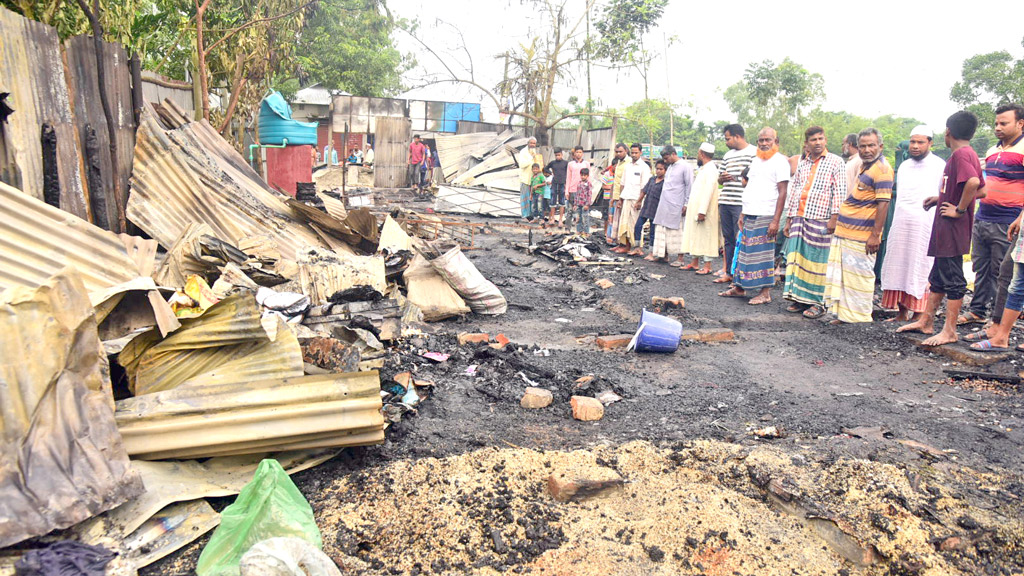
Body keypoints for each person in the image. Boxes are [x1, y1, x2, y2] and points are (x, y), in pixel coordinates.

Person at [897, 111, 986, 345]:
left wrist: (959, 209)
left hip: (953, 229)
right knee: (937, 276)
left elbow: (975, 183)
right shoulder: (966, 154)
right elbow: (982, 190)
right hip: (945, 229)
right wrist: (942, 197)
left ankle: (949, 330)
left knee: (954, 279)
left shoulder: (961, 155)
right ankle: (926, 321)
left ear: (948, 132)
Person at [961, 104, 1024, 325]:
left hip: (1008, 220)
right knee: (980, 267)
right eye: (996, 123)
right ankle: (977, 311)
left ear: (1020, 124)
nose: (998, 127)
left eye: (1003, 123)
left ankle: (998, 321)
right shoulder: (991, 151)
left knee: (1002, 272)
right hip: (984, 216)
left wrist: (1020, 218)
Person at [824, 128, 893, 323]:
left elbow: (883, 204)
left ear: (880, 146)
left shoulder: (883, 170)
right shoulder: (866, 166)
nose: (867, 149)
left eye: (871, 145)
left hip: (862, 236)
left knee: (859, 279)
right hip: (847, 232)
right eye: (863, 146)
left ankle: (860, 319)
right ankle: (846, 316)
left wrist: (875, 235)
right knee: (846, 279)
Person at [880, 126, 946, 322]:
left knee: (920, 265)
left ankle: (919, 314)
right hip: (901, 222)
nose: (915, 146)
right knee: (898, 264)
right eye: (913, 142)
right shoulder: (905, 166)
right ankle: (901, 313)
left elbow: (942, 194)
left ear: (930, 143)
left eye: (920, 142)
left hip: (924, 224)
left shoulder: (939, 165)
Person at [782, 126, 847, 319]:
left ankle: (819, 303)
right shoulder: (803, 163)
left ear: (825, 140)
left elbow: (840, 192)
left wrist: (834, 218)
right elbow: (795, 191)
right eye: (813, 140)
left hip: (821, 219)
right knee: (799, 260)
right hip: (800, 218)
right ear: (806, 144)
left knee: (819, 263)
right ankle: (800, 299)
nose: (817, 142)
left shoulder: (836, 162)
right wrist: (789, 219)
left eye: (820, 139)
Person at [719, 128, 790, 304]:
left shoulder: (780, 162)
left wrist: (775, 221)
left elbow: (783, 192)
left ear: (776, 142)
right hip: (750, 213)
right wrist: (743, 212)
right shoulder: (756, 160)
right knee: (744, 252)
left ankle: (765, 293)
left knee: (764, 255)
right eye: (761, 140)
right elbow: (750, 187)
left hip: (767, 214)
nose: (764, 144)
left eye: (768, 140)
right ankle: (739, 288)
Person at [716, 124, 756, 284]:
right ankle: (728, 273)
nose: (726, 142)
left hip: (741, 203)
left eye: (728, 138)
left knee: (740, 238)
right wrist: (722, 179)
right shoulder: (727, 155)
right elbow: (719, 179)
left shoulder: (753, 153)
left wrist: (739, 179)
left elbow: (754, 177)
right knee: (728, 239)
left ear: (737, 136)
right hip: (725, 201)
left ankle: (739, 275)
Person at [679, 142, 721, 273]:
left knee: (707, 236)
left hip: (705, 211)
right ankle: (694, 262)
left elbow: (708, 192)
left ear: (701, 154)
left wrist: (702, 211)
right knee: (695, 235)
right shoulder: (703, 169)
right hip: (696, 209)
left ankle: (707, 266)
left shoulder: (711, 170)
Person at [651, 145, 694, 264]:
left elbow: (689, 185)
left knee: (678, 231)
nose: (665, 161)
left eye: (666, 158)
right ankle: (663, 255)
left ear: (673, 154)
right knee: (662, 228)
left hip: (677, 204)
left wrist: (686, 203)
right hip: (665, 203)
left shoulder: (686, 166)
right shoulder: (670, 167)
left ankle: (680, 259)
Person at [614, 143, 652, 253]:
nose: (634, 155)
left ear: (640, 153)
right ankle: (625, 246)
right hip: (626, 198)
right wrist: (620, 200)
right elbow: (622, 183)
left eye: (636, 153)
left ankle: (637, 247)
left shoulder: (644, 167)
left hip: (636, 200)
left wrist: (640, 201)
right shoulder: (628, 166)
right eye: (633, 153)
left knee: (635, 224)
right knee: (624, 223)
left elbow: (645, 187)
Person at [636, 160, 666, 258]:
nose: (658, 171)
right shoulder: (652, 179)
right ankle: (637, 248)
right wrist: (638, 201)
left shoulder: (665, 182)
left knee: (653, 232)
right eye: (657, 169)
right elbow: (644, 191)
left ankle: (651, 253)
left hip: (656, 210)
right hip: (647, 207)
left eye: (661, 169)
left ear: (665, 170)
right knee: (637, 226)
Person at [607, 144, 629, 244]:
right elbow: (615, 181)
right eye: (617, 151)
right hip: (616, 196)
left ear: (626, 151)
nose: (618, 153)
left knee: (623, 221)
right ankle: (617, 242)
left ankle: (623, 244)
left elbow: (626, 183)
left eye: (620, 151)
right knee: (615, 220)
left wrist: (621, 197)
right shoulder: (618, 163)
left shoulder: (628, 163)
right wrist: (612, 197)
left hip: (624, 197)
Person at [517, 137, 543, 220]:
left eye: (534, 143)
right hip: (525, 179)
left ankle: (531, 216)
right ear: (528, 143)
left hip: (533, 179)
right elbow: (522, 165)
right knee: (524, 198)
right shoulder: (523, 152)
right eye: (531, 143)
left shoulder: (534, 151)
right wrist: (531, 158)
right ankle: (524, 215)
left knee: (532, 198)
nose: (532, 145)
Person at [565, 146, 590, 230]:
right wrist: (566, 191)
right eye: (577, 152)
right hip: (572, 190)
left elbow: (589, 178)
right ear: (574, 153)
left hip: (583, 191)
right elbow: (568, 178)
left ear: (582, 153)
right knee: (570, 211)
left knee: (582, 212)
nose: (578, 154)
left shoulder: (586, 164)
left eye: (580, 152)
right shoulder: (570, 164)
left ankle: (582, 230)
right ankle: (567, 229)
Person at [545, 148, 569, 229]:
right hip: (554, 183)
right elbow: (545, 168)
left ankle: (560, 220)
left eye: (559, 155)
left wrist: (567, 182)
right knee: (553, 201)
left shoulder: (566, 163)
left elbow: (569, 172)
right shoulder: (553, 163)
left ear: (562, 154)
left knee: (562, 202)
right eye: (556, 155)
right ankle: (552, 218)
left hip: (562, 183)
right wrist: (551, 173)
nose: (557, 157)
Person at [573, 168, 594, 236]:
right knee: (578, 218)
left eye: (585, 175)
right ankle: (579, 230)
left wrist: (587, 205)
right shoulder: (579, 183)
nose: (583, 177)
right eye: (582, 175)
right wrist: (575, 204)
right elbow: (577, 194)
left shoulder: (589, 184)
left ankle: (586, 231)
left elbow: (589, 195)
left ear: (587, 176)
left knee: (585, 218)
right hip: (579, 204)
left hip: (585, 204)